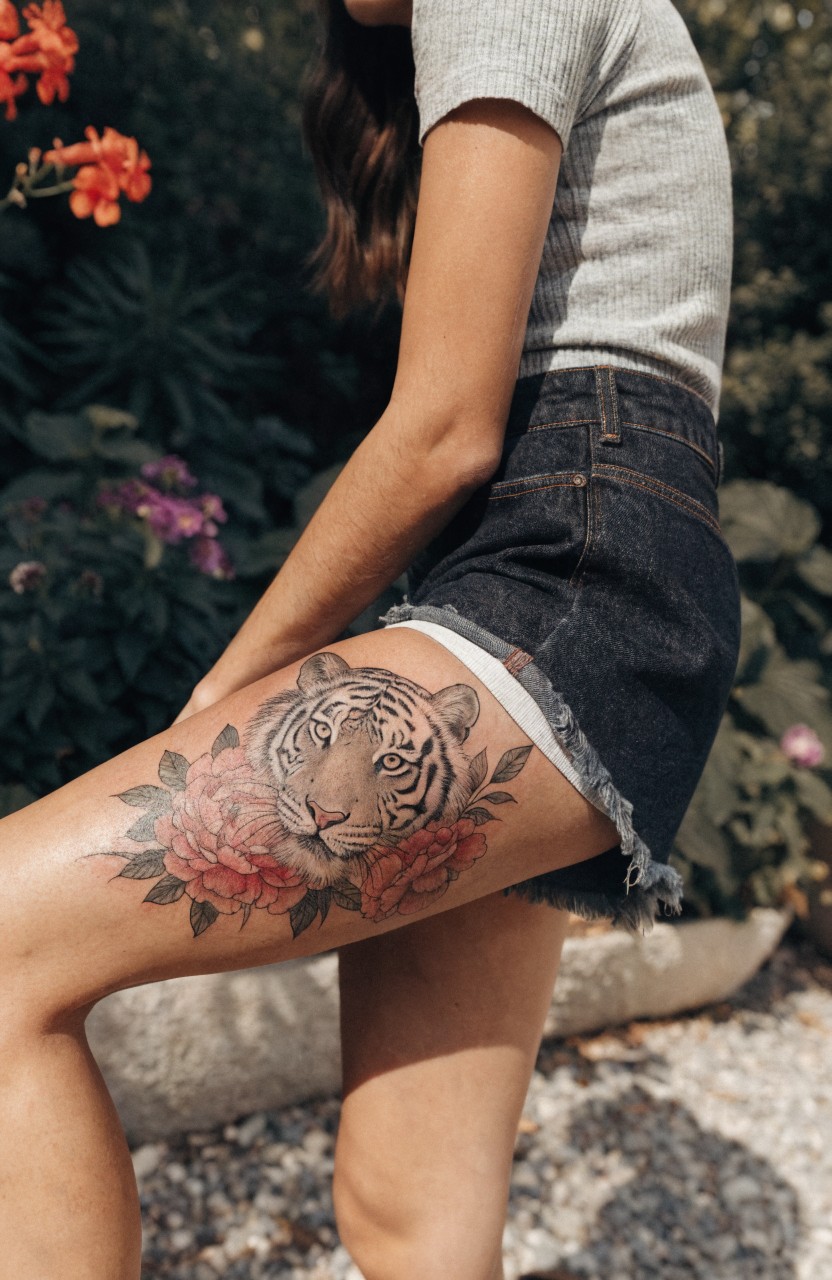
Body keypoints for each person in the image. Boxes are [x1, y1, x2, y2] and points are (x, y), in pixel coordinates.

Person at [0, 0, 741, 1275]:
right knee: (412, 1209)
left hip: (567, 570)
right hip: (564, 574)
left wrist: (231, 681)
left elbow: (443, 426)